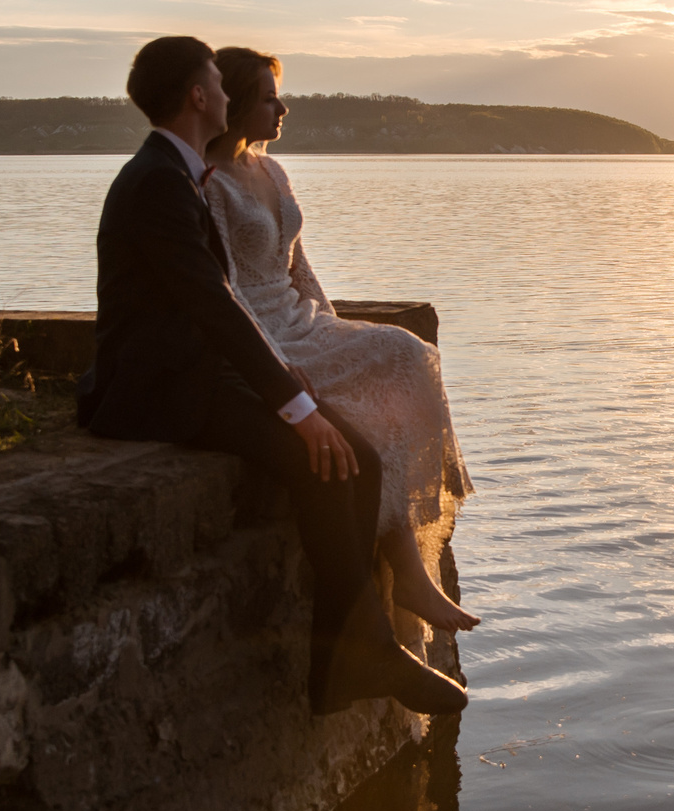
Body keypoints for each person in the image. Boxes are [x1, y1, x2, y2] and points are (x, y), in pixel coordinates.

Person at [77, 34, 466, 717]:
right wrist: (296, 405)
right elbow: (217, 307)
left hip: (203, 370)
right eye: (222, 87)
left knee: (360, 458)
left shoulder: (177, 173)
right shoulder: (161, 184)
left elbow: (226, 303)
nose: (230, 98)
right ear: (200, 96)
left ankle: (349, 660)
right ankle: (360, 656)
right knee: (322, 455)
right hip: (162, 390)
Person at [202, 45, 477, 636]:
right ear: (238, 103)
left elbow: (299, 267)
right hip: (265, 333)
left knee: (408, 353)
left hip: (303, 320)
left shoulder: (273, 170)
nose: (283, 107)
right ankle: (408, 573)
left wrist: (334, 327)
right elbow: (220, 287)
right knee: (365, 414)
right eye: (269, 97)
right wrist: (273, 360)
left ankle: (411, 555)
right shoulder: (210, 184)